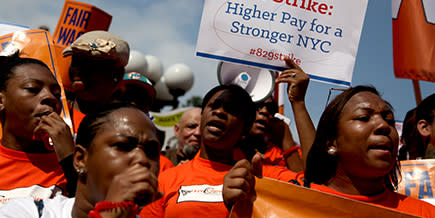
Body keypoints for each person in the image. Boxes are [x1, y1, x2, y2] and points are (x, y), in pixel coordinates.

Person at [223, 85, 435, 217]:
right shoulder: (281, 197)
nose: (383, 126)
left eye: (388, 119)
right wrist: (241, 205)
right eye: (364, 117)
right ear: (331, 143)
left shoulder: (424, 214)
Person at [140, 84, 298, 218]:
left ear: (245, 129)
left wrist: (298, 103)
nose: (219, 112)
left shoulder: (264, 178)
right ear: (202, 117)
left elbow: (317, 193)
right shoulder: (166, 180)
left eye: (232, 110)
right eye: (213, 106)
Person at [0, 103, 162, 217]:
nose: (142, 159)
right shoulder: (28, 211)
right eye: (123, 146)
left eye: (151, 151)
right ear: (80, 159)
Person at [0, 54, 74, 204]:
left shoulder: (81, 161)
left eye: (57, 93)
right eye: (33, 89)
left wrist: (70, 160)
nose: (50, 97)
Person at [62, 30, 129, 133]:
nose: (78, 69)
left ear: (117, 75)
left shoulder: (126, 127)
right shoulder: (53, 114)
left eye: (90, 64)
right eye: (76, 61)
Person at [112, 71, 174, 173]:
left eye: (139, 98)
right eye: (125, 97)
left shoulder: (162, 165)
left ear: (148, 107)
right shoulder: (94, 146)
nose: (132, 103)